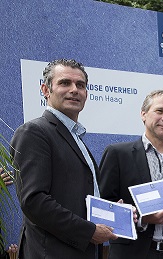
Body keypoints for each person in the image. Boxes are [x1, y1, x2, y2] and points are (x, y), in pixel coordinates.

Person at [11, 59, 117, 258]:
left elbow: (75, 197)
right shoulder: (34, 132)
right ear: (45, 89)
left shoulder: (76, 138)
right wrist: (89, 231)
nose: (74, 90)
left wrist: (111, 211)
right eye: (64, 83)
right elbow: (34, 201)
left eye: (81, 85)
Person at [99, 90, 163, 259]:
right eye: (159, 111)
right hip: (133, 253)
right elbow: (104, 208)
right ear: (143, 114)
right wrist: (142, 219)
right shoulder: (118, 154)